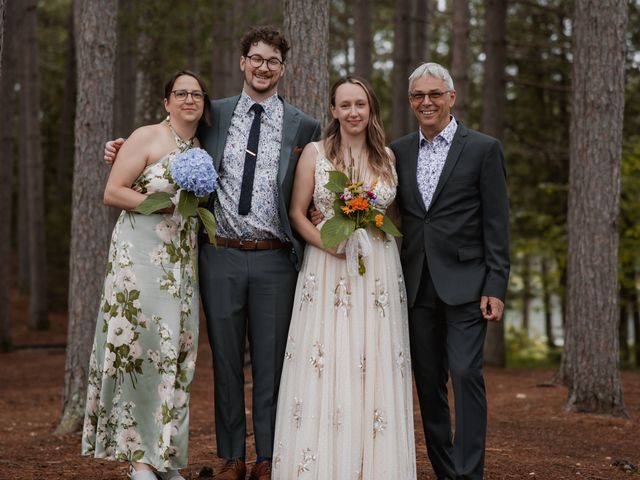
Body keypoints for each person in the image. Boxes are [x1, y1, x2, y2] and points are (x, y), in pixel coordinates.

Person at [105, 26, 320, 480]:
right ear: (243, 62)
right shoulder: (213, 114)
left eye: (273, 61)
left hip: (275, 257)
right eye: (256, 59)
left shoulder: (304, 125)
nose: (264, 67)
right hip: (219, 253)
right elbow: (170, 141)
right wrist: (121, 148)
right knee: (224, 360)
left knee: (270, 361)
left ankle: (267, 457)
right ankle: (232, 457)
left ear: (283, 68)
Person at [271, 77, 416, 479]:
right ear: (333, 110)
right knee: (329, 356)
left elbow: (394, 214)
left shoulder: (387, 156)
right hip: (328, 265)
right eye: (345, 105)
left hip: (378, 271)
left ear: (371, 110)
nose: (353, 112)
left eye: (360, 104)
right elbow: (297, 213)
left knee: (372, 359)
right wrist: (327, 242)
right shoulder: (316, 153)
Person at [82, 71, 212, 480]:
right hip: (139, 259)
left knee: (176, 355)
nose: (189, 99)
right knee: (140, 350)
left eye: (196, 93)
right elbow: (113, 191)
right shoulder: (146, 136)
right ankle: (138, 459)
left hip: (181, 264)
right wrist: (160, 205)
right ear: (166, 102)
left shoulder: (202, 146)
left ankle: (166, 457)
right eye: (180, 93)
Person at [389, 62, 510, 480]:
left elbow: (497, 224)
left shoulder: (482, 148)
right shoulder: (398, 151)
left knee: (465, 373)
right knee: (428, 384)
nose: (427, 102)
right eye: (418, 96)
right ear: (410, 102)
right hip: (417, 284)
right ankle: (447, 472)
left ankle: (469, 471)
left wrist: (496, 284)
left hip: (467, 285)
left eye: (434, 94)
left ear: (451, 97)